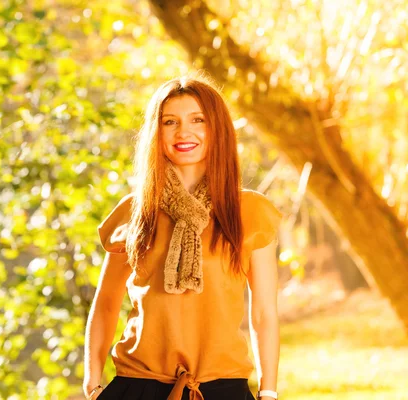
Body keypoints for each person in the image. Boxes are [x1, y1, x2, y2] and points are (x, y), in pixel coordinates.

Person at [83, 71, 282, 400]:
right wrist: (92, 384)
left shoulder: (250, 211)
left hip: (222, 388)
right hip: (137, 385)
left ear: (216, 128)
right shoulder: (135, 210)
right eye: (169, 122)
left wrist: (269, 391)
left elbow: (263, 312)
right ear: (156, 132)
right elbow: (106, 302)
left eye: (197, 120)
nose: (183, 132)